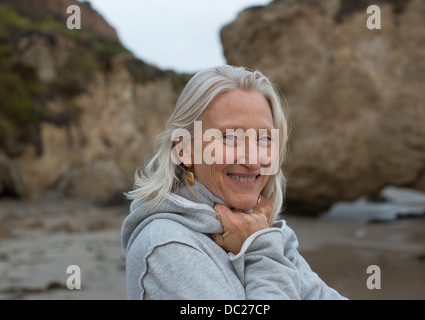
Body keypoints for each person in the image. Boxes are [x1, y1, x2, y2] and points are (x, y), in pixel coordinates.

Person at [121, 65, 346, 300]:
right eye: (230, 137)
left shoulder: (256, 227)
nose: (253, 161)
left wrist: (259, 242)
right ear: (184, 149)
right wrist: (260, 251)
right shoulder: (166, 245)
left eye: (265, 138)